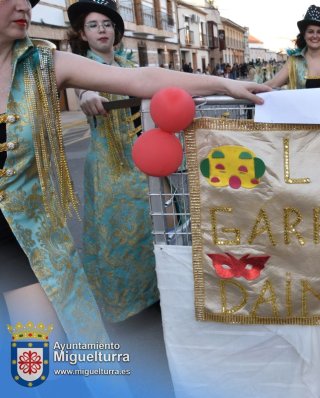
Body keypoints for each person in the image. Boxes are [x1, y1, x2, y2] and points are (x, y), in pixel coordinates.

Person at [1, 0, 269, 362]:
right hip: (107, 173)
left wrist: (223, 83)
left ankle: (146, 303)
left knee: (36, 362)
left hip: (24, 247)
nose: (23, 5)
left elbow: (144, 79)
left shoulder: (43, 64)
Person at [65, 0, 158, 323]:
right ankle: (124, 308)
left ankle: (152, 294)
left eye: (107, 24)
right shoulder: (81, 67)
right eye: (93, 25)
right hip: (109, 167)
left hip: (141, 164)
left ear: (115, 31)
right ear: (82, 33)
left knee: (147, 230)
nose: (101, 30)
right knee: (115, 237)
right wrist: (87, 95)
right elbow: (84, 90)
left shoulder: (127, 65)